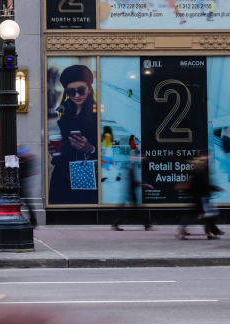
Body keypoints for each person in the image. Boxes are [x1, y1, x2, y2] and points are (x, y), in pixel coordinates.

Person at [48, 65, 99, 203]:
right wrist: (56, 149)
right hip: (63, 176)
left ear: (89, 88)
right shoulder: (65, 111)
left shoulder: (97, 113)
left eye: (81, 90)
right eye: (71, 92)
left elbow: (109, 149)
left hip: (87, 175)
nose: (77, 95)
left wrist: (90, 149)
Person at [176, 154, 225, 240]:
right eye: (206, 162)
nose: (207, 163)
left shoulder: (197, 171)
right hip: (201, 198)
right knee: (197, 216)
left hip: (199, 198)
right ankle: (180, 231)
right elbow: (204, 185)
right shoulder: (200, 172)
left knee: (204, 216)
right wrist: (215, 188)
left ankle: (210, 233)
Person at [110, 154, 154, 231]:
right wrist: (146, 185)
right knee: (135, 210)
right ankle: (147, 225)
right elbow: (133, 182)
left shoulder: (131, 166)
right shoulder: (131, 167)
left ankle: (116, 223)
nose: (142, 158)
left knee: (133, 210)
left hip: (129, 192)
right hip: (130, 192)